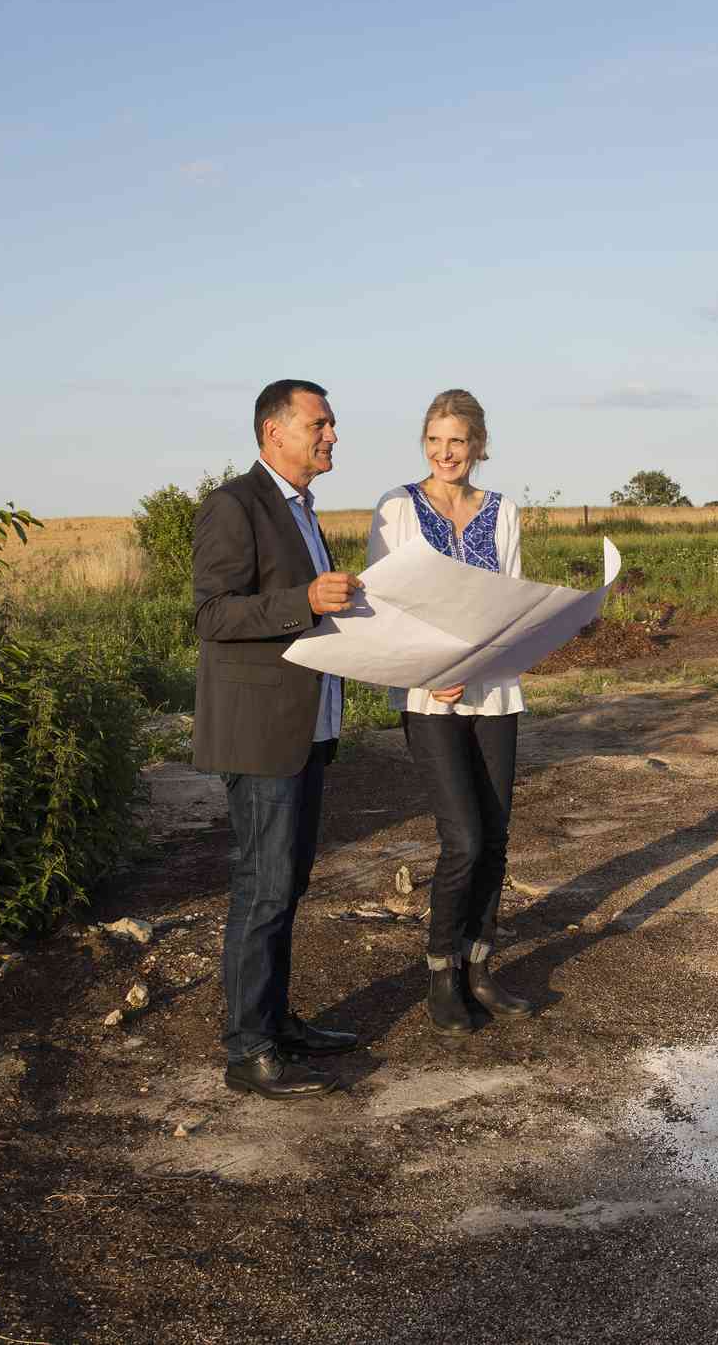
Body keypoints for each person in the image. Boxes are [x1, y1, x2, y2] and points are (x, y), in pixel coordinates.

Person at [192, 379, 364, 1099]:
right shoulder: (233, 505)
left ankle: (276, 1022)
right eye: (319, 424)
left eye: (330, 425)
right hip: (259, 732)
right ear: (274, 433)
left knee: (286, 884)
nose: (331, 436)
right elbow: (213, 615)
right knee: (263, 886)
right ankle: (248, 1051)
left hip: (305, 726)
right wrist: (304, 601)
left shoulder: (303, 510)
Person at [366, 389, 536, 1036]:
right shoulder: (397, 509)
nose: (445, 453)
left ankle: (480, 969)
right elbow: (380, 603)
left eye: (457, 441)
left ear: (479, 446)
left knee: (493, 837)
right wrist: (433, 664)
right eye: (434, 440)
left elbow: (510, 604)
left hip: (493, 691)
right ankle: (440, 972)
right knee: (461, 838)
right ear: (423, 444)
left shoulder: (503, 513)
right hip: (426, 695)